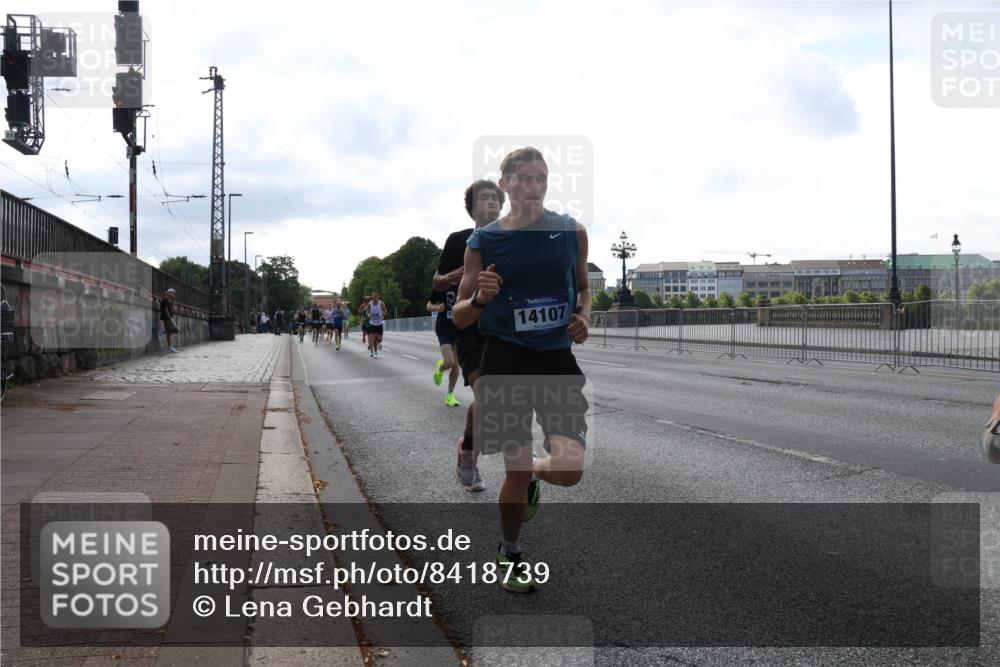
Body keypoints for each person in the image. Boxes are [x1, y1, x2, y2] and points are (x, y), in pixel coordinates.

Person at [453, 148, 591, 593]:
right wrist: (479, 300)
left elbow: (584, 289)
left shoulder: (571, 232)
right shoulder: (485, 241)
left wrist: (585, 317)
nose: (535, 186)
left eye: (542, 178)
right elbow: (459, 316)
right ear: (506, 184)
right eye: (525, 179)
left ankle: (533, 471)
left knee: (570, 471)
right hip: (505, 361)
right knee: (513, 470)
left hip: (554, 359)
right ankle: (510, 553)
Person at [432, 179, 504, 492]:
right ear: (472, 208)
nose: (490, 203)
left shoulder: (513, 238)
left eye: (495, 198)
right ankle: (468, 452)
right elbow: (436, 283)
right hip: (470, 327)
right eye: (483, 198)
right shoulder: (458, 240)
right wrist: (455, 275)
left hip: (506, 329)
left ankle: (517, 472)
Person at [427, 290, 460, 407]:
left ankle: (450, 395)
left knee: (456, 364)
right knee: (449, 362)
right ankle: (440, 367)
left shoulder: (464, 282)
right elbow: (428, 306)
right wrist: (437, 307)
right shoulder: (442, 285)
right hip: (443, 329)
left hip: (458, 328)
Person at [361, 291, 386, 358]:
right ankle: (375, 353)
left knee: (379, 339)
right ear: (372, 297)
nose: (374, 298)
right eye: (373, 297)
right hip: (372, 324)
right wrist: (369, 315)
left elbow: (384, 311)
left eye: (375, 296)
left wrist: (383, 315)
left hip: (380, 323)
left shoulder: (381, 303)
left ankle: (379, 343)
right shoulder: (370, 304)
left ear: (378, 296)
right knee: (374, 338)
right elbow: (368, 312)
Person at [159, 288, 180, 353]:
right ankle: (162, 331)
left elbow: (171, 309)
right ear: (169, 293)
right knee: (176, 329)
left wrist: (173, 300)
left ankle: (169, 348)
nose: (174, 294)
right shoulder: (164, 299)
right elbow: (166, 310)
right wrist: (171, 319)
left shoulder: (169, 300)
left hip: (169, 318)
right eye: (173, 293)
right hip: (167, 318)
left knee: (169, 333)